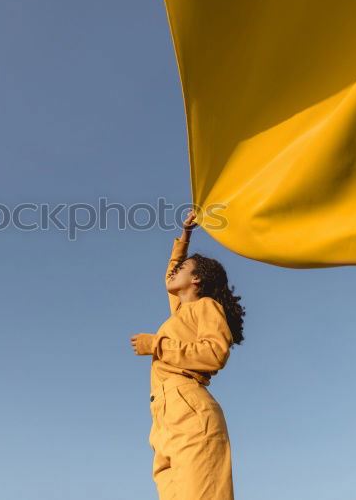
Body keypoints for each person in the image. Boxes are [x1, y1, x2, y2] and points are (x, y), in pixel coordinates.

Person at [131, 208, 247, 499]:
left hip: (189, 406)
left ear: (196, 280)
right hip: (162, 417)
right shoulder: (181, 313)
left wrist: (156, 344)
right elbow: (172, 270)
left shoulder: (206, 306)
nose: (173, 272)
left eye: (182, 269)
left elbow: (214, 353)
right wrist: (186, 235)